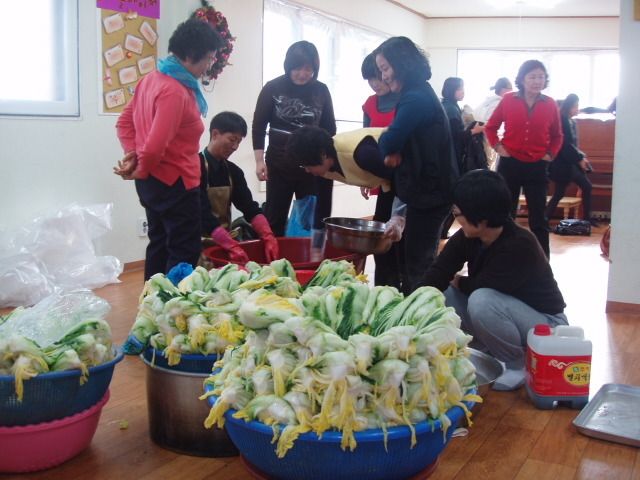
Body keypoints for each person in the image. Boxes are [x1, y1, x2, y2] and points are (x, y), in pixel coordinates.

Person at [423, 169, 568, 391]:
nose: (456, 218)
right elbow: (439, 272)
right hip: (508, 313)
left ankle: (517, 365)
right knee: (439, 293)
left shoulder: (520, 244)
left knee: (481, 300)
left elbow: (483, 285)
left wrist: (459, 281)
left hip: (546, 325)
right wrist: (408, 306)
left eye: (458, 213)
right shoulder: (469, 236)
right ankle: (487, 353)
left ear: (481, 219)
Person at [114, 19, 222, 280]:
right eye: (209, 58)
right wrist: (139, 166)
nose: (209, 65)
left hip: (152, 184)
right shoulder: (174, 91)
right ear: (191, 54)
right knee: (183, 251)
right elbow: (154, 146)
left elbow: (124, 124)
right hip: (175, 183)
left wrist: (133, 157)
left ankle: (151, 301)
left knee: (159, 245)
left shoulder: (151, 79)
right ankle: (172, 304)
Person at [375, 36, 457, 294]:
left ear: (402, 65)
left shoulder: (416, 98)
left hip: (431, 193)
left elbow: (390, 138)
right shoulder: (418, 93)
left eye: (385, 68)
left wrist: (389, 145)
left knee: (419, 264)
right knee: (412, 258)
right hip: (426, 190)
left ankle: (422, 311)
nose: (384, 76)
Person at [251, 41, 336, 238]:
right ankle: (273, 255)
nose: (302, 74)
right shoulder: (273, 87)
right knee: (275, 218)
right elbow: (259, 126)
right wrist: (259, 161)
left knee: (309, 220)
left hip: (312, 168)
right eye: (297, 68)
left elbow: (329, 129)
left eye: (308, 69)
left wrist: (326, 162)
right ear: (288, 66)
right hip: (278, 166)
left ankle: (305, 256)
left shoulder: (321, 90)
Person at [285, 125, 406, 260]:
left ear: (322, 154)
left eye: (308, 166)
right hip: (391, 180)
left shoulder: (361, 154)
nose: (307, 171)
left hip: (414, 172)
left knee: (404, 242)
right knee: (381, 242)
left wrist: (398, 216)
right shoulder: (323, 166)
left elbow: (404, 178)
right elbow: (322, 205)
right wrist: (317, 248)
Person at [484, 59, 563, 258]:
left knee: (539, 218)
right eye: (532, 77)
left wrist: (550, 154)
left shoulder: (550, 104)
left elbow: (557, 135)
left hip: (537, 166)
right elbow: (490, 127)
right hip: (510, 163)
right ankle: (503, 256)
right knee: (505, 213)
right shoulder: (508, 100)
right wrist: (498, 146)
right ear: (522, 79)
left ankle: (542, 262)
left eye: (541, 77)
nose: (537, 81)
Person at [199, 112, 279, 265]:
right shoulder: (195, 167)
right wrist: (230, 244)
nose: (235, 147)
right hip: (197, 244)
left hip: (223, 244)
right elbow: (201, 212)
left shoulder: (233, 171)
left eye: (239, 142)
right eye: (232, 140)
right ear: (215, 134)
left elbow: (249, 207)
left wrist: (268, 235)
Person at [360, 52, 404, 289]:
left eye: (377, 77)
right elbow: (363, 141)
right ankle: (384, 286)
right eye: (369, 79)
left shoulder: (404, 99)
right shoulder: (369, 104)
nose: (375, 84)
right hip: (383, 177)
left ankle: (401, 284)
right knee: (382, 231)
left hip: (405, 177)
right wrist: (364, 177)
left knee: (402, 234)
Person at [440, 77, 485, 239]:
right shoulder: (451, 109)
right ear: (452, 90)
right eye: (460, 88)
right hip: (453, 159)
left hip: (449, 158)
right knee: (455, 195)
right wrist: (475, 130)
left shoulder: (448, 106)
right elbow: (456, 136)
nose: (463, 92)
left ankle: (443, 230)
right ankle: (442, 230)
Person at [545, 94, 597, 226]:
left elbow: (573, 145)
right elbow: (565, 145)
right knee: (559, 193)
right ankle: (544, 220)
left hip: (571, 163)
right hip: (562, 164)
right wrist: (579, 159)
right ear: (569, 106)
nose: (577, 109)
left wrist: (581, 157)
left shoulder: (571, 121)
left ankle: (587, 219)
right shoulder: (562, 120)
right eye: (575, 106)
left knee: (586, 187)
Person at [474, 77, 513, 170]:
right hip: (489, 141)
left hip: (482, 140)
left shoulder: (488, 101)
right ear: (503, 90)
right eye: (510, 89)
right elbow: (489, 124)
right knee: (490, 167)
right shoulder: (497, 103)